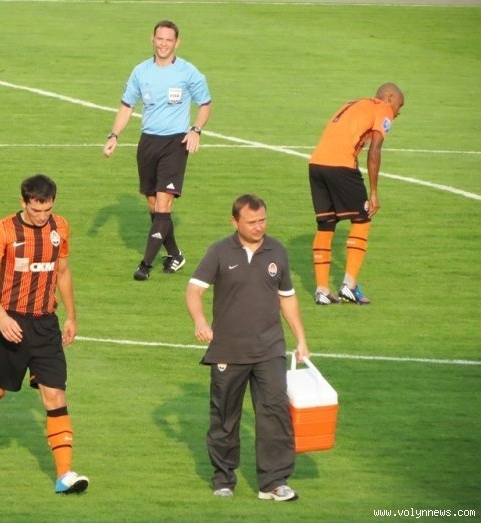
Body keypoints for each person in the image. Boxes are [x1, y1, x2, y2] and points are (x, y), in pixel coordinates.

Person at [185, 194, 310, 502]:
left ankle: (274, 482)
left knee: (275, 414)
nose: (259, 227)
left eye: (263, 220)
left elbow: (287, 297)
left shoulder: (277, 251)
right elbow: (194, 290)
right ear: (235, 221)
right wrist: (200, 321)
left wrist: (301, 338)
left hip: (270, 349)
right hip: (228, 351)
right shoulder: (219, 251)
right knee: (225, 417)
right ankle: (223, 478)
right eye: (252, 222)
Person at [0, 174, 88, 494]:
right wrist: (1, 317)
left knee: (55, 396)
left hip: (46, 326)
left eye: (47, 210)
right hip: (10, 324)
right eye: (36, 210)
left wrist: (71, 316)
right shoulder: (4, 230)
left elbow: (62, 271)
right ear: (23, 202)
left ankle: (64, 475)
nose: (42, 216)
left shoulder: (60, 227)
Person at [103, 19, 211, 281]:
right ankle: (175, 254)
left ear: (177, 43)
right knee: (154, 206)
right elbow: (127, 105)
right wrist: (114, 135)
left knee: (163, 203)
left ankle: (145, 265)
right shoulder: (140, 71)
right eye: (159, 39)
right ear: (152, 39)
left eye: (168, 40)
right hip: (148, 142)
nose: (163, 44)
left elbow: (205, 104)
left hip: (175, 143)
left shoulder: (188, 72)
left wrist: (195, 129)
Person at [308, 83, 405, 305]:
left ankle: (322, 291)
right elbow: (375, 150)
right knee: (362, 219)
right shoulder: (383, 108)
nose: (398, 112)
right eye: (399, 106)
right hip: (341, 166)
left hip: (316, 165)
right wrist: (374, 192)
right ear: (390, 97)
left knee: (325, 225)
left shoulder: (354, 103)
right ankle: (349, 286)